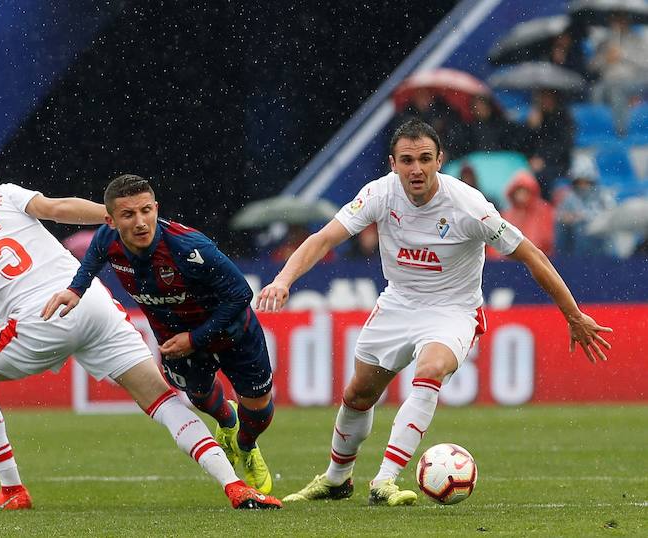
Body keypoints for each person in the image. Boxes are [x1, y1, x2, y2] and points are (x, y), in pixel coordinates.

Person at [0, 167, 281, 511]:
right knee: (160, 399)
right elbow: (59, 210)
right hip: (89, 301)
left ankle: (12, 489)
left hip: (39, 319)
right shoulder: (0, 195)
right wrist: (116, 216)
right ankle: (235, 487)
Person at [256, 119, 612, 506]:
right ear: (393, 163)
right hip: (398, 303)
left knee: (429, 370)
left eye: (425, 159)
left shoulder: (469, 205)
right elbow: (324, 238)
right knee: (358, 394)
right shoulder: (379, 193)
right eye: (407, 160)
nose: (417, 169)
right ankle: (337, 479)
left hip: (452, 310)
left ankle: (385, 480)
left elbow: (532, 255)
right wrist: (283, 279)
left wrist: (573, 314)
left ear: (440, 160)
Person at [43, 174, 277, 494]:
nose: (140, 222)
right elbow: (95, 256)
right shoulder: (106, 239)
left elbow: (240, 295)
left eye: (146, 210)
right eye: (128, 215)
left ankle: (246, 446)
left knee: (261, 412)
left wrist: (195, 338)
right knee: (199, 397)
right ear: (110, 220)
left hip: (233, 333)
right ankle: (227, 421)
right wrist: (76, 289)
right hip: (176, 340)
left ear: (156, 208)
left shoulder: (189, 246)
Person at [554, 156, 616, 256]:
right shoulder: (569, 197)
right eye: (579, 182)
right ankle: (564, 261)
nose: (582, 186)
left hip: (601, 244)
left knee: (582, 227)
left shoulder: (604, 195)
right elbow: (560, 215)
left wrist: (585, 217)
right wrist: (566, 218)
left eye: (586, 182)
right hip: (574, 243)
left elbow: (611, 217)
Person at [487, 171, 555, 259]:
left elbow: (547, 240)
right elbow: (496, 242)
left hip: (536, 260)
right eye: (518, 192)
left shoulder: (543, 211)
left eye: (525, 191)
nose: (521, 196)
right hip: (509, 262)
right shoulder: (507, 214)